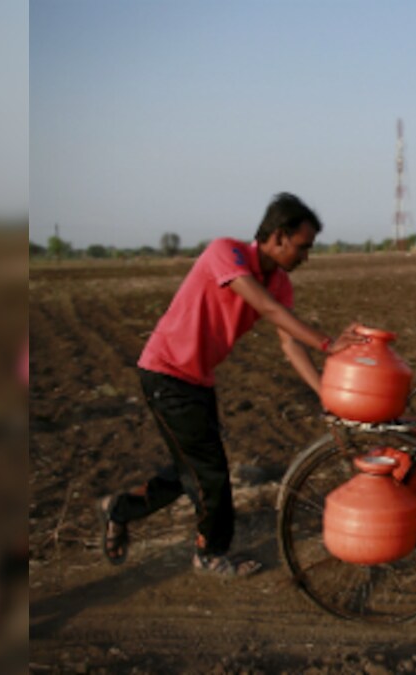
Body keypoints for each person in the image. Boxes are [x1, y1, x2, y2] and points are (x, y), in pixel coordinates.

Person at [99, 192, 363, 579]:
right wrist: (327, 343)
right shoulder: (227, 253)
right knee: (211, 474)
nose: (306, 257)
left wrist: (323, 391)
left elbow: (288, 343)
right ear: (277, 237)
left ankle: (120, 509)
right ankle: (210, 553)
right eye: (303, 247)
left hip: (197, 379)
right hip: (165, 372)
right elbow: (268, 308)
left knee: (191, 468)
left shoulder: (280, 283)